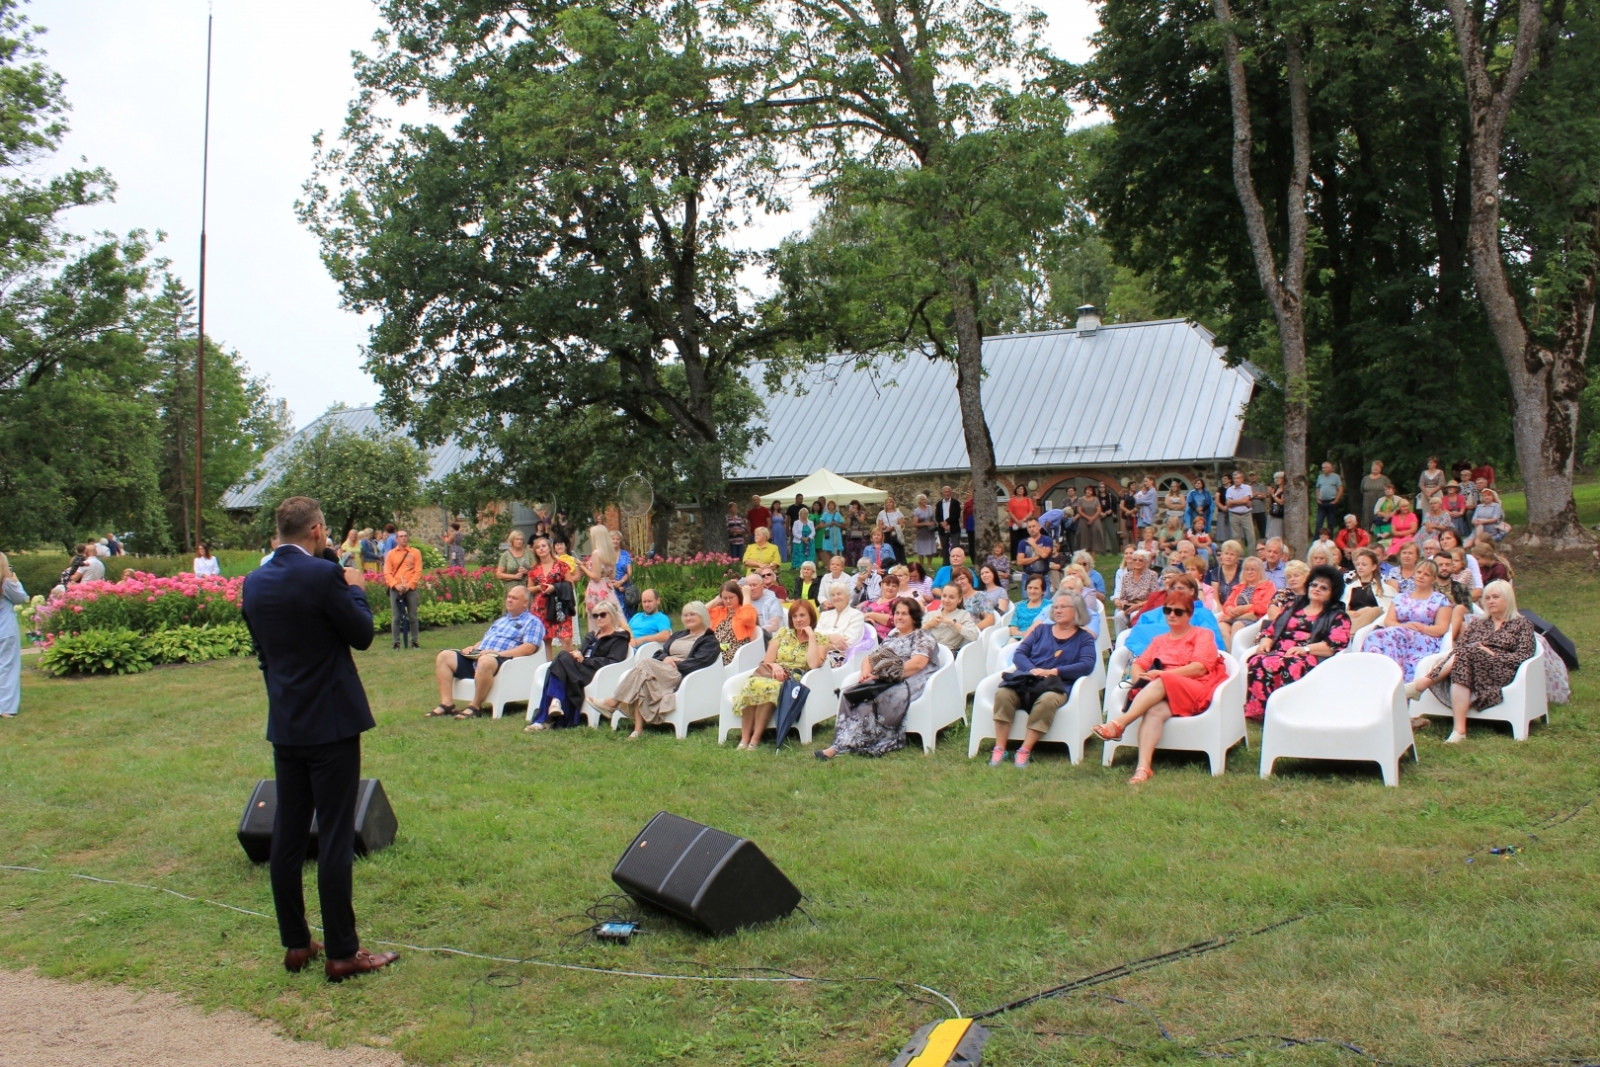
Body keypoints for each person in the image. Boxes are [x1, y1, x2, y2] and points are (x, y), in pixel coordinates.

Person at [239, 495, 397, 982]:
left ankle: (295, 942)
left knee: (287, 833)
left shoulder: (254, 582)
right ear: (318, 529)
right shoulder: (325, 577)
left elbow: (264, 652)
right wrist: (353, 586)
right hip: (330, 722)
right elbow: (362, 633)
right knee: (332, 834)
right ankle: (343, 951)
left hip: (286, 720)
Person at [1093, 589, 1230, 784]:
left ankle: (1120, 723)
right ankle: (1143, 768)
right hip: (1163, 689)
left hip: (1195, 688)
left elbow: (1199, 668)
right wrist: (1140, 678)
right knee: (1155, 711)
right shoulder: (1159, 640)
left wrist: (1163, 675)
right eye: (1168, 610)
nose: (1172, 615)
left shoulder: (1202, 634)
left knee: (1161, 681)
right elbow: (1140, 663)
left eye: (1178, 611)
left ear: (1189, 614)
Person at [1407, 580, 1535, 743]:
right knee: (1466, 654)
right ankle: (1458, 730)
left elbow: (1524, 656)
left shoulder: (1522, 624)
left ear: (1508, 598)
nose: (1491, 601)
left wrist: (1492, 654)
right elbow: (1459, 649)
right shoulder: (1479, 624)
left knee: (1469, 652)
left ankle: (1421, 685)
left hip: (1502, 671)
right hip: (1469, 667)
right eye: (1487, 598)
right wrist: (1477, 651)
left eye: (1496, 597)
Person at [816, 597, 939, 760]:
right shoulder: (893, 636)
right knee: (851, 694)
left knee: (874, 698)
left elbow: (917, 664)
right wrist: (865, 674)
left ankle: (848, 745)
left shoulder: (922, 637)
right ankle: (843, 741)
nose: (899, 617)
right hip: (884, 679)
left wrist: (882, 674)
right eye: (897, 613)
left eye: (904, 614)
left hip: (909, 681)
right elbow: (871, 658)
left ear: (914, 617)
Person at [987, 592, 1098, 766]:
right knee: (1003, 693)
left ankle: (1024, 750)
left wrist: (1055, 671)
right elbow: (1020, 654)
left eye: (1063, 607)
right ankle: (1000, 748)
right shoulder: (1041, 630)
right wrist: (1032, 670)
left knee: (1047, 700)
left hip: (1058, 685)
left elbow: (1087, 665)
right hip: (1029, 679)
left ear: (1077, 610)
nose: (1058, 610)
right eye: (1055, 607)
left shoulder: (1084, 638)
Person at [1241, 564, 1352, 720]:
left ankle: (1287, 711)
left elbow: (1332, 646)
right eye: (1314, 584)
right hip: (1280, 650)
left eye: (1324, 587)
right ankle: (1259, 711)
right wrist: (1265, 641)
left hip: (1311, 655)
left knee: (1290, 664)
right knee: (1257, 660)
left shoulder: (1337, 616)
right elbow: (1271, 630)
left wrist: (1305, 649)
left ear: (1332, 593)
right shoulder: (1293, 607)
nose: (1317, 588)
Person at [598, 602, 721, 739]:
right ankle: (637, 729)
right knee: (642, 678)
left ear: (702, 616)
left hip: (681, 675)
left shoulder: (709, 640)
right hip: (663, 669)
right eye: (685, 615)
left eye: (692, 614)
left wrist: (674, 664)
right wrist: (665, 659)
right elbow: (659, 653)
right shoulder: (679, 635)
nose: (688, 618)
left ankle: (613, 702)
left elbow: (700, 662)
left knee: (644, 663)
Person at [427, 585, 546, 719]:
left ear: (525, 603)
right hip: (480, 656)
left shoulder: (532, 622)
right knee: (444, 656)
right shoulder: (501, 621)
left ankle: (475, 706)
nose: (509, 600)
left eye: (514, 598)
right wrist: (473, 647)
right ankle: (447, 703)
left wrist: (498, 654)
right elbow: (485, 641)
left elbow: (529, 648)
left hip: (503, 662)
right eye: (508, 597)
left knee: (485, 660)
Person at [732, 600, 824, 749]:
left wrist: (811, 637)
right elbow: (768, 659)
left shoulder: (820, 638)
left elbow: (813, 664)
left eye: (802, 615)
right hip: (773, 672)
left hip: (794, 680)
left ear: (811, 617)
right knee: (752, 683)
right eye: (795, 616)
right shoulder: (783, 634)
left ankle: (755, 739)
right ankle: (744, 738)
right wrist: (775, 666)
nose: (798, 619)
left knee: (771, 687)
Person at [526, 599, 631, 731]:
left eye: (603, 615)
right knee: (562, 660)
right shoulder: (592, 636)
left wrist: (585, 660)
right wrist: (576, 656)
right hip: (577, 670)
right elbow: (580, 653)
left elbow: (613, 662)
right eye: (595, 615)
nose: (598, 618)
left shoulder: (619, 638)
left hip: (596, 674)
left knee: (561, 657)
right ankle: (553, 707)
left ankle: (548, 713)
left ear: (612, 615)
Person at [1361, 559, 1452, 683]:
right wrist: (1405, 627)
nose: (1421, 576)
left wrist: (1420, 628)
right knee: (1373, 635)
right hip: (1398, 632)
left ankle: (1393, 680)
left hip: (1424, 638)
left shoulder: (1440, 599)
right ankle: (1373, 678)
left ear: (1434, 579)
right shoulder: (1400, 597)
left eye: (1426, 574)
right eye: (1419, 572)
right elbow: (1389, 621)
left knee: (1394, 635)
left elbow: (1441, 628)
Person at [1216, 555, 1275, 647]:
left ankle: (1235, 654)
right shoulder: (1239, 587)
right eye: (1246, 569)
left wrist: (1246, 608)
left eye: (1253, 569)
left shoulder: (1268, 586)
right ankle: (1232, 654)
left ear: (1260, 571)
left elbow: (1267, 606)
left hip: (1254, 618)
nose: (1249, 572)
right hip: (1236, 617)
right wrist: (1230, 609)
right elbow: (1227, 604)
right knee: (1222, 626)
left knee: (1237, 625)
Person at [384, 530, 423, 650]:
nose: (403, 538)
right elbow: (387, 572)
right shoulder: (391, 554)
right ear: (396, 539)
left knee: (413, 616)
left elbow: (418, 571)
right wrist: (395, 585)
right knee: (396, 617)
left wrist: (409, 585)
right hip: (396, 588)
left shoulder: (415, 553)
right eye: (401, 537)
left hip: (410, 588)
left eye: (405, 536)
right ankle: (396, 643)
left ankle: (415, 642)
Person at [0, 552, 26, 717]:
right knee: (7, 667)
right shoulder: (6, 584)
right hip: (5, 627)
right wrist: (17, 582)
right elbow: (21, 598)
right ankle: (6, 707)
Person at [816, 582, 867, 667]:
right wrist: (830, 638)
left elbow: (847, 645)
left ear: (847, 596)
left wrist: (821, 642)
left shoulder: (857, 615)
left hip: (841, 658)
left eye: (839, 594)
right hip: (819, 653)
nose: (836, 597)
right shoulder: (825, 615)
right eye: (833, 595)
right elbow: (815, 636)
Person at [709, 579, 760, 663]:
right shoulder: (720, 611)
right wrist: (715, 601)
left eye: (731, 597)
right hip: (715, 649)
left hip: (735, 652)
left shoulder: (745, 611)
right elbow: (699, 614)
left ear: (738, 596)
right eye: (725, 598)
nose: (728, 601)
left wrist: (747, 596)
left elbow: (748, 618)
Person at [923, 584, 981, 652]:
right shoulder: (931, 614)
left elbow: (974, 636)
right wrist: (928, 625)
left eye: (951, 597)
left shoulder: (964, 615)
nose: (946, 600)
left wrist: (953, 623)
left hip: (948, 653)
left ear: (959, 599)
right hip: (927, 651)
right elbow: (915, 635)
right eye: (944, 596)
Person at [1113, 549, 1160, 629]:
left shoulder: (1152, 575)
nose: (1137, 562)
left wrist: (1137, 606)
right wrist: (1123, 603)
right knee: (1118, 616)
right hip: (1130, 607)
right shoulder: (1126, 576)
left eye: (1140, 560)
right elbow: (1123, 597)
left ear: (1145, 562)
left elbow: (1154, 598)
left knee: (1134, 615)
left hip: (1145, 606)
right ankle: (1120, 640)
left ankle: (1135, 638)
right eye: (1135, 560)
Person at [1344, 548, 1389, 630]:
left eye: (1364, 565)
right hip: (1353, 619)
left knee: (1375, 610)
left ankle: (1352, 634)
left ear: (1373, 567)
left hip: (1374, 623)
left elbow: (1387, 611)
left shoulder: (1383, 588)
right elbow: (1343, 607)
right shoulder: (1350, 587)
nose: (1360, 567)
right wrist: (1350, 613)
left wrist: (1367, 610)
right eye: (1358, 564)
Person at [862, 572, 905, 639]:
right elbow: (858, 615)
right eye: (887, 585)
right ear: (881, 585)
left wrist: (870, 615)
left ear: (898, 588)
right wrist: (868, 619)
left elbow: (893, 620)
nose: (890, 588)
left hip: (884, 638)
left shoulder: (899, 602)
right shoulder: (870, 602)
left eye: (894, 586)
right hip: (864, 633)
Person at [1015, 517, 1054, 592]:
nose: (1031, 529)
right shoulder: (1023, 542)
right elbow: (1020, 562)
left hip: (1043, 576)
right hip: (1027, 576)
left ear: (1039, 527)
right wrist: (1037, 557)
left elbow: (1044, 555)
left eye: (1033, 526)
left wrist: (1033, 543)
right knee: (1027, 602)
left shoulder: (1047, 540)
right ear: (1027, 529)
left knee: (1046, 602)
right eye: (1029, 527)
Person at [1008, 573, 1051, 638]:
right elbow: (1013, 626)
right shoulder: (1020, 606)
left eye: (1036, 588)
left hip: (1040, 638)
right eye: (1029, 588)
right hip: (1019, 637)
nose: (1032, 591)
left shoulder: (1049, 605)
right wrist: (1018, 634)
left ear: (1043, 591)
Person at [1223, 470, 1256, 550]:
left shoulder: (1247, 488)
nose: (1236, 480)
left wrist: (1233, 502)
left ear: (1242, 479)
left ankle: (1251, 555)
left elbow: (1246, 500)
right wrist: (1243, 502)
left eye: (1238, 478)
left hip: (1246, 515)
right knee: (1235, 537)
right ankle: (1238, 557)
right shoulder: (1229, 490)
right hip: (1234, 515)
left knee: (1250, 535)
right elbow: (1228, 504)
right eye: (1235, 478)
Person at [1359, 461, 1391, 532]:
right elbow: (1362, 490)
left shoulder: (1384, 479)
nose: (1375, 468)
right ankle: (1366, 533)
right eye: (1374, 466)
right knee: (1366, 517)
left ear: (1381, 469)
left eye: (1378, 467)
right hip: (1367, 501)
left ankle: (1378, 532)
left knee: (1378, 515)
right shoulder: (1365, 478)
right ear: (1371, 467)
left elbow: (1389, 490)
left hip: (1380, 501)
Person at [1313, 461, 1344, 537]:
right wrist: (1318, 498)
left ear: (1330, 468)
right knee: (1319, 522)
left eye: (1325, 467)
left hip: (1331, 502)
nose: (1324, 469)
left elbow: (1340, 489)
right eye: (1323, 467)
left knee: (1330, 522)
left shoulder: (1335, 477)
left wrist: (1336, 500)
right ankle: (1317, 539)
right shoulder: (1320, 477)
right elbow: (1318, 488)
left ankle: (1329, 539)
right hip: (1322, 502)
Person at [933, 485, 961, 562]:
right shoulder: (939, 504)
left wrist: (947, 522)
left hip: (954, 529)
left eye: (948, 491)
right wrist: (943, 524)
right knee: (945, 549)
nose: (947, 493)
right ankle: (946, 565)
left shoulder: (956, 503)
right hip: (942, 529)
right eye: (945, 492)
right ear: (943, 493)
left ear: (951, 492)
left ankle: (956, 564)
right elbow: (937, 516)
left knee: (955, 548)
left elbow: (956, 515)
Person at [1076, 486, 1105, 554]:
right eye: (1087, 490)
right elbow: (1079, 511)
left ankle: (1093, 558)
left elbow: (1099, 510)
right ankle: (1085, 556)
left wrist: (1092, 518)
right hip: (1083, 521)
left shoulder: (1096, 499)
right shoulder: (1080, 500)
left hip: (1095, 520)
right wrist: (1088, 518)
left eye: (1090, 490)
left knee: (1095, 537)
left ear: (1092, 492)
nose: (1088, 491)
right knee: (1084, 538)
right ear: (1085, 491)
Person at [877, 495, 906, 561]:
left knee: (897, 551)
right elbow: (879, 525)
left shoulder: (898, 513)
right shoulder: (882, 513)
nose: (888, 504)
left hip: (895, 534)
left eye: (890, 502)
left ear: (893, 503)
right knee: (887, 550)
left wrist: (894, 527)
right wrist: (885, 527)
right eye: (887, 502)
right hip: (886, 534)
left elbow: (901, 524)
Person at [817, 499, 845, 564]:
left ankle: (837, 564)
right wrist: (829, 524)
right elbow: (821, 525)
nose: (831, 506)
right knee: (827, 550)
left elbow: (843, 525)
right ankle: (828, 566)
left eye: (832, 505)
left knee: (836, 549)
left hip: (836, 533)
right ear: (828, 506)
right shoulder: (825, 514)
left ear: (834, 506)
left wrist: (836, 524)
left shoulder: (837, 514)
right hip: (828, 534)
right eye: (829, 505)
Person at [844, 501, 871, 566]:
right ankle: (853, 565)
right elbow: (848, 524)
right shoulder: (850, 514)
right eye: (852, 505)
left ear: (858, 505)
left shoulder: (861, 512)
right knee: (851, 549)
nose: (853, 506)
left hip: (859, 532)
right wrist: (849, 515)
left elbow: (861, 521)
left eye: (855, 505)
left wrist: (856, 514)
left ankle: (861, 565)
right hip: (851, 533)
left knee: (860, 549)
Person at [1266, 472, 1287, 541]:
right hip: (1272, 513)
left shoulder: (1285, 490)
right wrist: (1269, 495)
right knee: (1269, 533)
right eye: (1275, 478)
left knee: (1277, 534)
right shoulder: (1275, 490)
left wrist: (1273, 495)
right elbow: (1270, 503)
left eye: (1278, 478)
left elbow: (1281, 502)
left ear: (1283, 479)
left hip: (1279, 515)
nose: (1276, 480)